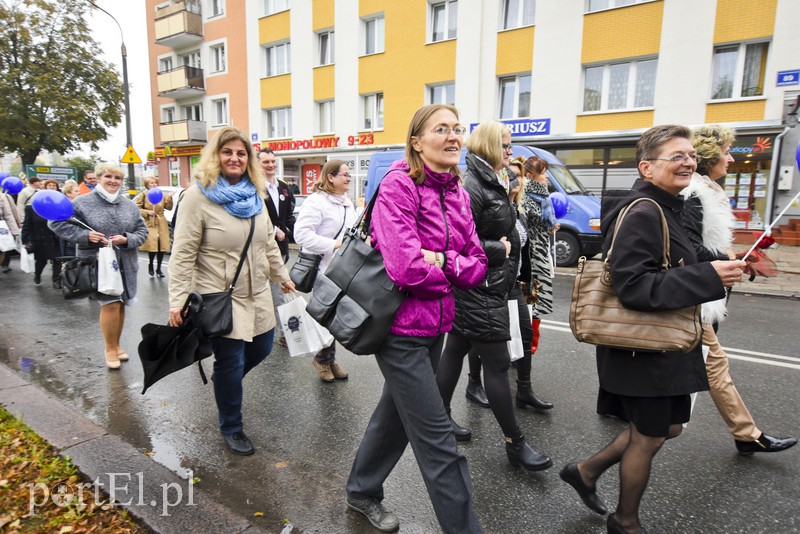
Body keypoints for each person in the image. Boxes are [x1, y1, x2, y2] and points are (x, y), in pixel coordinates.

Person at [560, 125, 747, 534]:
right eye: (675, 156)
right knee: (648, 436)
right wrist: (708, 277)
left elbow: (672, 263)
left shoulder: (669, 207)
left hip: (664, 343)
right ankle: (625, 521)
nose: (687, 162)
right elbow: (633, 287)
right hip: (642, 347)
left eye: (690, 155)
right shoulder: (645, 212)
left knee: (668, 427)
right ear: (646, 167)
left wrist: (715, 266)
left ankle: (585, 471)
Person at [346, 104, 487, 534]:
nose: (452, 136)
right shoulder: (399, 187)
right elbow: (406, 268)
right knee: (438, 439)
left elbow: (480, 264)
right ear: (417, 142)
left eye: (457, 129)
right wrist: (454, 270)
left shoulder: (458, 193)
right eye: (440, 129)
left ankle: (361, 489)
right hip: (399, 330)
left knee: (395, 416)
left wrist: (442, 260)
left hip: (436, 327)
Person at [168, 126, 294, 456]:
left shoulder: (256, 194)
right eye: (228, 152)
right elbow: (182, 252)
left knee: (263, 348)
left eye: (241, 153)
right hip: (219, 295)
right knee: (232, 361)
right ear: (216, 156)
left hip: (258, 292)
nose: (235, 158)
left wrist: (283, 277)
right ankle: (231, 425)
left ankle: (227, 378)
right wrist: (178, 300)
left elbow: (267, 242)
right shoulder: (197, 197)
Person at [436, 121, 552, 471]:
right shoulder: (472, 184)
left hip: (490, 284)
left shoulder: (492, 179)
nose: (511, 151)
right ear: (488, 146)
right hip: (479, 286)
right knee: (499, 366)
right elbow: (451, 242)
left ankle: (440, 423)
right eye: (505, 145)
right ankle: (515, 444)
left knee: (455, 350)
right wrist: (497, 249)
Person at [683, 125, 796, 455]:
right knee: (714, 364)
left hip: (705, 293)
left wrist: (735, 255)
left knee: (705, 363)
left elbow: (707, 243)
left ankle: (746, 434)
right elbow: (689, 248)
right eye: (725, 153)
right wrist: (729, 257)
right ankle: (747, 435)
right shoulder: (696, 194)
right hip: (694, 296)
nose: (731, 159)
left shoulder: (710, 191)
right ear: (709, 157)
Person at [49, 163, 149, 370]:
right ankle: (109, 348)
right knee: (110, 303)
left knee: (120, 303)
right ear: (98, 178)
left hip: (126, 262)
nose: (113, 181)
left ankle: (117, 345)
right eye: (108, 176)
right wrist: (85, 236)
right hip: (97, 262)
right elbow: (56, 222)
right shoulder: (82, 202)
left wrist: (126, 239)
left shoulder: (129, 205)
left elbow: (143, 232)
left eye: (117, 178)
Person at [293, 159, 355, 382]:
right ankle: (321, 359)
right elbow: (301, 235)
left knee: (334, 318)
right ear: (330, 177)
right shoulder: (316, 202)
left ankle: (328, 357)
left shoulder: (346, 202)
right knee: (325, 317)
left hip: (342, 271)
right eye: (345, 174)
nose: (349, 178)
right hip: (322, 269)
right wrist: (333, 244)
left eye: (349, 175)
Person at [258, 148, 296, 346]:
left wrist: (295, 231)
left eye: (273, 161)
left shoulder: (282, 187)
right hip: (260, 248)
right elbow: (253, 217)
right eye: (266, 162)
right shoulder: (254, 188)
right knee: (275, 293)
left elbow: (289, 215)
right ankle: (283, 333)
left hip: (280, 249)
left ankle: (276, 330)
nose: (271, 165)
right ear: (258, 165)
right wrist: (273, 230)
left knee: (277, 291)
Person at [22, 189, 63, 288]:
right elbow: (26, 225)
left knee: (57, 260)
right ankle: (37, 274)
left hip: (54, 238)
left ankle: (56, 281)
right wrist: (26, 240)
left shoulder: (56, 208)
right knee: (41, 261)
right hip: (39, 239)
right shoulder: (30, 209)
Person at [135, 176, 174, 278]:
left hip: (161, 221)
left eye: (155, 183)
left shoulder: (162, 195)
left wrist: (169, 198)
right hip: (150, 222)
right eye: (151, 183)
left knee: (162, 246)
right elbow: (137, 208)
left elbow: (169, 207)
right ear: (147, 185)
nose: (154, 185)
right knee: (153, 246)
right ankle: (151, 264)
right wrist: (147, 212)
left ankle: (159, 269)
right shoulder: (143, 195)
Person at [0, 189, 21, 277]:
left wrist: (14, 230)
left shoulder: (2, 197)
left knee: (1, 251)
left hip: (1, 227)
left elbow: (8, 215)